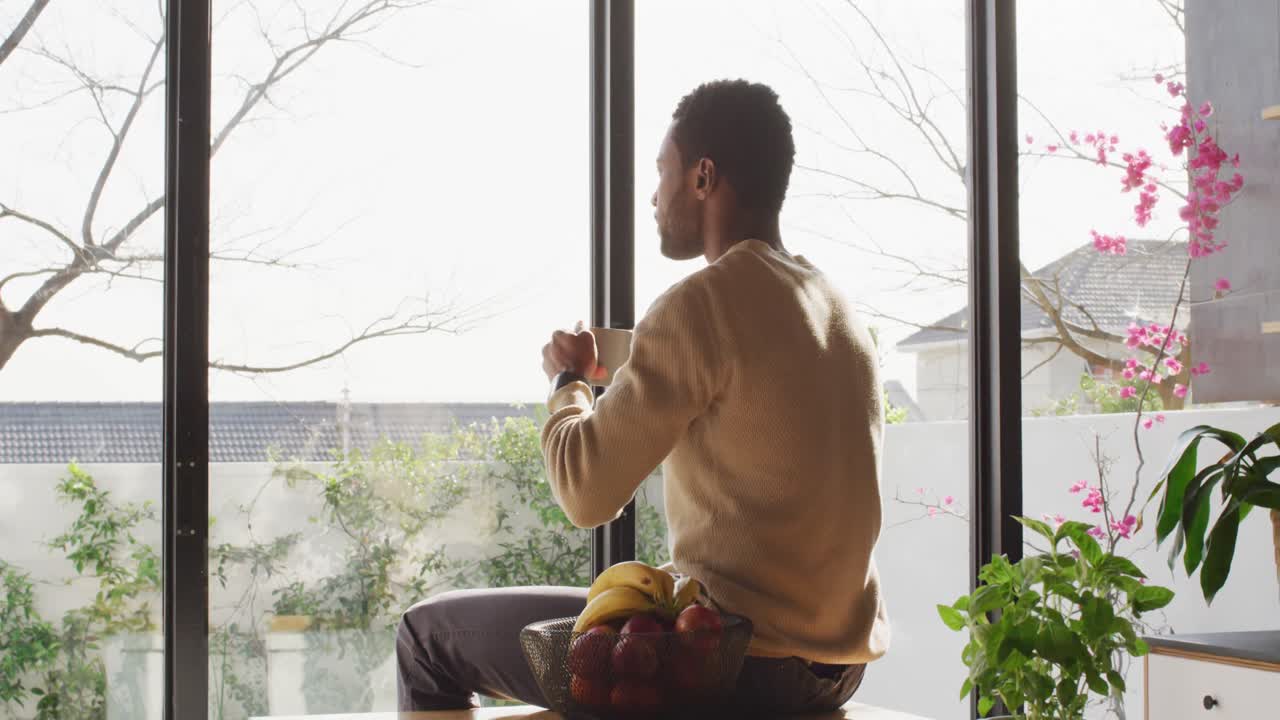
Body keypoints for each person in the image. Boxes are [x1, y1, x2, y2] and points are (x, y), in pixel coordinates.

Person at [397, 79, 888, 716]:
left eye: (663, 171)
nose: (654, 195)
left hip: (734, 661)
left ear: (703, 177)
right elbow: (740, 370)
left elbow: (586, 493)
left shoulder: (701, 300)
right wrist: (618, 355)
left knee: (428, 636)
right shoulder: (833, 305)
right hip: (839, 668)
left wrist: (566, 388)